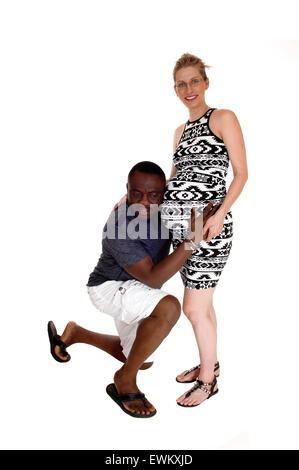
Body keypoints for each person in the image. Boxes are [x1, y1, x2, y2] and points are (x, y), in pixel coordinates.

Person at [114, 53, 248, 408]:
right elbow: (173, 182)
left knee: (193, 308)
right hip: (181, 231)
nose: (188, 89)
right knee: (203, 306)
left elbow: (241, 173)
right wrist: (131, 201)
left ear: (206, 82)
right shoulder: (180, 131)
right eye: (181, 84)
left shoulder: (222, 118)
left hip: (207, 227)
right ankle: (210, 363)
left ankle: (208, 382)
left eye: (194, 81)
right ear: (175, 90)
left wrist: (221, 213)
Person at [47, 161, 218, 418]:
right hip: (110, 287)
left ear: (164, 192)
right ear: (127, 189)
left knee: (139, 354)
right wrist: (193, 237)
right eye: (137, 193)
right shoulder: (119, 226)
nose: (145, 202)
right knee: (169, 308)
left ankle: (75, 334)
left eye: (153, 195)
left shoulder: (163, 206)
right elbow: (152, 278)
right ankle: (125, 380)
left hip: (135, 288)